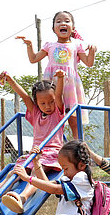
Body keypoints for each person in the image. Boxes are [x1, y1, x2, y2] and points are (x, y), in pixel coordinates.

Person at [0, 70, 65, 215]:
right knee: (14, 173)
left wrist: (60, 78)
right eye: (43, 103)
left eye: (51, 102)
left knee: (37, 170)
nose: (48, 106)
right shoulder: (35, 113)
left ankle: (22, 198)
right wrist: (10, 79)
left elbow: (59, 95)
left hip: (51, 154)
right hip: (33, 153)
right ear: (37, 103)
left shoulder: (57, 114)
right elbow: (24, 95)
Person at [16, 11, 96, 139]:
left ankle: (78, 144)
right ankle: (52, 143)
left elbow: (89, 63)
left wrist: (92, 52)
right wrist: (29, 45)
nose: (62, 23)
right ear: (53, 28)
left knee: (73, 117)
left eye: (66, 21)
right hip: (52, 83)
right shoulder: (49, 45)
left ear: (73, 28)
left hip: (70, 85)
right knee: (51, 114)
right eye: (58, 21)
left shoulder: (77, 45)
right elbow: (33, 59)